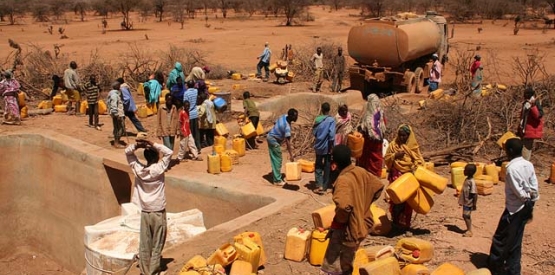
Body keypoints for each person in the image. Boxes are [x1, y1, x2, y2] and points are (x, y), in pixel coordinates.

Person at [321, 145, 384, 275]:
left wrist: (340, 221)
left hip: (348, 230)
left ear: (335, 163)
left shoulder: (343, 180)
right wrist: (363, 206)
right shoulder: (360, 171)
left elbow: (344, 207)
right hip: (363, 224)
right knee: (348, 261)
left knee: (336, 265)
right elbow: (378, 186)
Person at [488, 138, 539, 275]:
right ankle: (513, 269)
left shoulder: (511, 168)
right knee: (517, 238)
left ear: (510, 151)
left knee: (501, 238)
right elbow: (534, 184)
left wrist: (525, 199)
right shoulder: (528, 164)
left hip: (515, 209)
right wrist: (532, 199)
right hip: (527, 205)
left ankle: (497, 266)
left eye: (505, 149)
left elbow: (518, 191)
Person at [125, 137, 172, 275]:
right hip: (158, 211)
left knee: (145, 243)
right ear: (157, 157)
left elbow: (128, 153)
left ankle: (145, 271)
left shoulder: (139, 171)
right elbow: (169, 152)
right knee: (157, 243)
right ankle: (153, 271)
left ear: (146, 157)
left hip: (145, 212)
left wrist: (137, 145)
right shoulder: (158, 170)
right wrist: (153, 143)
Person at [384, 124, 424, 230]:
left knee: (407, 202)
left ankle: (405, 225)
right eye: (400, 135)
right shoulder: (393, 145)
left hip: (409, 177)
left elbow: (419, 161)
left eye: (405, 135)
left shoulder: (413, 147)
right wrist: (395, 156)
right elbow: (386, 159)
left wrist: (414, 168)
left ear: (409, 136)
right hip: (396, 176)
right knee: (396, 200)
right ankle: (395, 222)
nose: (402, 138)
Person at [356, 94, 386, 178]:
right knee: (376, 159)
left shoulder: (367, 116)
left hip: (368, 142)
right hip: (378, 142)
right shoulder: (381, 113)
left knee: (366, 159)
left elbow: (362, 128)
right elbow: (384, 127)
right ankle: (375, 177)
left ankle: (367, 177)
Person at [267, 108, 298, 186]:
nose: (296, 117)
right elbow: (288, 142)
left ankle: (275, 174)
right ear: (291, 116)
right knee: (278, 159)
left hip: (270, 137)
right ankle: (277, 180)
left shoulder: (284, 116)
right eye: (295, 116)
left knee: (274, 158)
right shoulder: (287, 127)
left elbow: (275, 123)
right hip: (273, 140)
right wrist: (291, 155)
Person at [312, 102, 336, 194]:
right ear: (329, 110)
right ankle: (325, 186)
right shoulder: (331, 120)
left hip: (318, 146)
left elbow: (314, 133)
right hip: (327, 147)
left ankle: (319, 185)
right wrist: (331, 146)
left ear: (321, 109)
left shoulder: (317, 119)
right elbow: (332, 135)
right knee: (327, 165)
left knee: (318, 165)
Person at [517, 87, 544, 161]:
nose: (525, 96)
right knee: (521, 152)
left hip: (530, 132)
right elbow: (523, 118)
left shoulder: (535, 103)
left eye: (526, 94)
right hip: (524, 131)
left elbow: (538, 116)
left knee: (525, 153)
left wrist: (533, 106)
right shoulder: (526, 103)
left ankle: (525, 168)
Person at [458, 163, 477, 237]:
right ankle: (468, 229)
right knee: (466, 215)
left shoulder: (472, 182)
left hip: (469, 203)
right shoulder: (467, 179)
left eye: (465, 170)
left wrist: (474, 204)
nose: (463, 171)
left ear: (469, 172)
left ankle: (469, 231)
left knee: (466, 216)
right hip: (466, 202)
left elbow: (474, 194)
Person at [183, 80, 201, 152]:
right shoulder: (196, 91)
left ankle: (193, 149)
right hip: (195, 114)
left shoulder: (186, 93)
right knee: (196, 132)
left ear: (187, 85)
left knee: (190, 133)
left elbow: (185, 103)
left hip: (189, 115)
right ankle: (198, 147)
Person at [107, 82, 125, 148]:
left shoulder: (115, 94)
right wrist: (116, 114)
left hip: (118, 113)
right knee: (120, 128)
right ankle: (116, 143)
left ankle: (117, 141)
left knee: (117, 128)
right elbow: (113, 105)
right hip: (118, 114)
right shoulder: (114, 95)